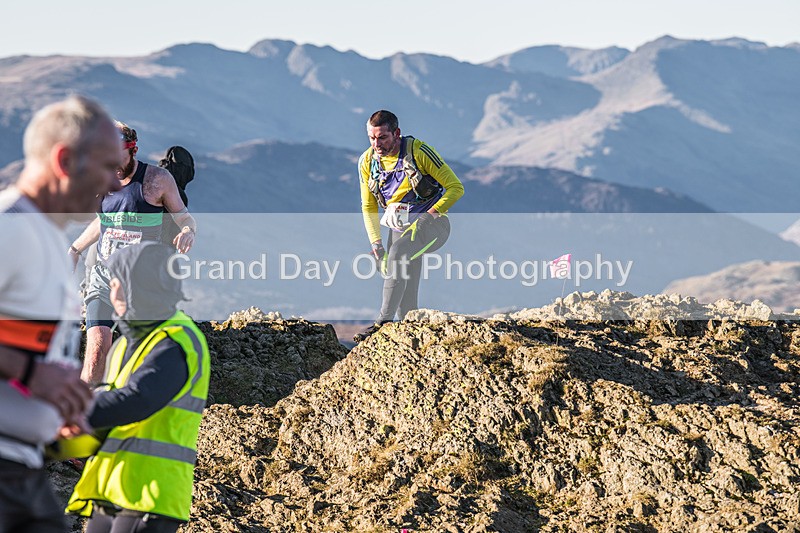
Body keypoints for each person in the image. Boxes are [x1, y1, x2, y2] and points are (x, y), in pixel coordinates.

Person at [0, 95, 121, 533]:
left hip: (27, 466)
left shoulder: (52, 239)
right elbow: (26, 363)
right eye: (108, 167)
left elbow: (18, 338)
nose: (114, 182)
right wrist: (33, 374)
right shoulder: (9, 227)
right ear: (65, 159)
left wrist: (56, 410)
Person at [65, 242, 210, 533]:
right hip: (111, 492)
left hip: (150, 497)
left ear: (137, 287)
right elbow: (109, 407)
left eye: (117, 280)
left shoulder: (175, 341)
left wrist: (74, 413)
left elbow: (139, 399)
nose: (111, 289)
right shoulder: (125, 344)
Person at [69, 122, 198, 384]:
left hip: (142, 283)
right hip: (104, 278)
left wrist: (188, 232)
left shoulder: (157, 181)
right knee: (97, 346)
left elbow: (185, 219)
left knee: (139, 352)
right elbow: (105, 221)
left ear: (133, 150)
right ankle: (80, 414)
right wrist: (75, 249)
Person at [355, 110, 464, 341]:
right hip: (398, 230)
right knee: (404, 291)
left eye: (383, 137)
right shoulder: (367, 162)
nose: (377, 144)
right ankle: (408, 339)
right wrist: (376, 245)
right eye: (372, 138)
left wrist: (428, 216)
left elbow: (456, 187)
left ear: (396, 133)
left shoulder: (418, 152)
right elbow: (368, 206)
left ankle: (382, 323)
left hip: (434, 225)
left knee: (399, 253)